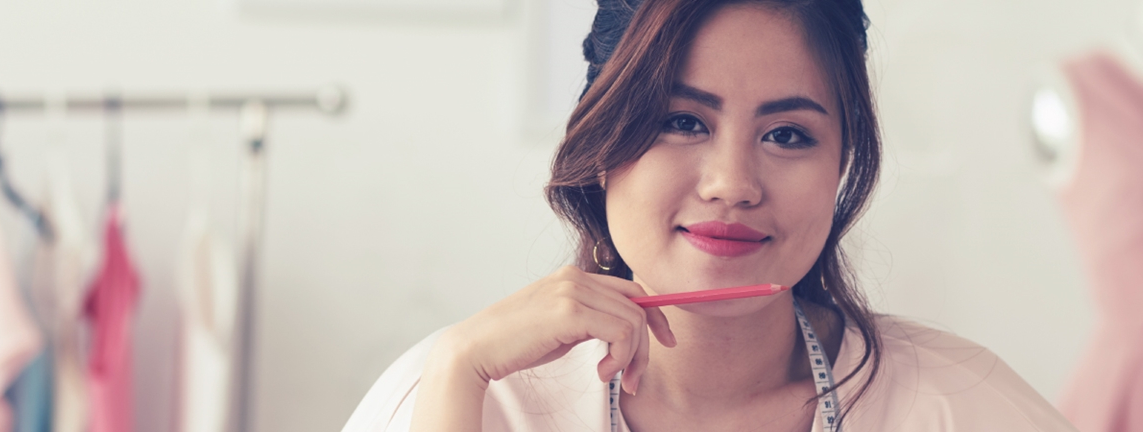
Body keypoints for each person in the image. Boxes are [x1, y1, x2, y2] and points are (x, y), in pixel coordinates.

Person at [343, 0, 1077, 430]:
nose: (732, 183)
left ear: (841, 164)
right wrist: (452, 377)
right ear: (602, 144)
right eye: (682, 122)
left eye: (787, 134)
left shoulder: (956, 405)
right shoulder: (457, 393)